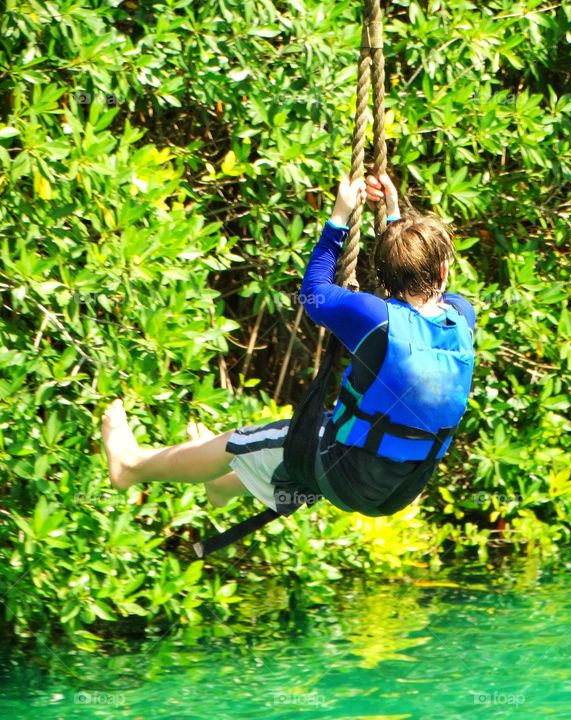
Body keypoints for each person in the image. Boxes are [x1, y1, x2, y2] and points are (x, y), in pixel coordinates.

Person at [101, 172, 476, 518]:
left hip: (347, 474)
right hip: (399, 489)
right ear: (444, 271)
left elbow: (313, 292)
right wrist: (394, 216)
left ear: (385, 270)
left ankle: (132, 466)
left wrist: (339, 217)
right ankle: (221, 486)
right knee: (285, 454)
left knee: (238, 442)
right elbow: (416, 292)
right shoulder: (463, 318)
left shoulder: (375, 318)